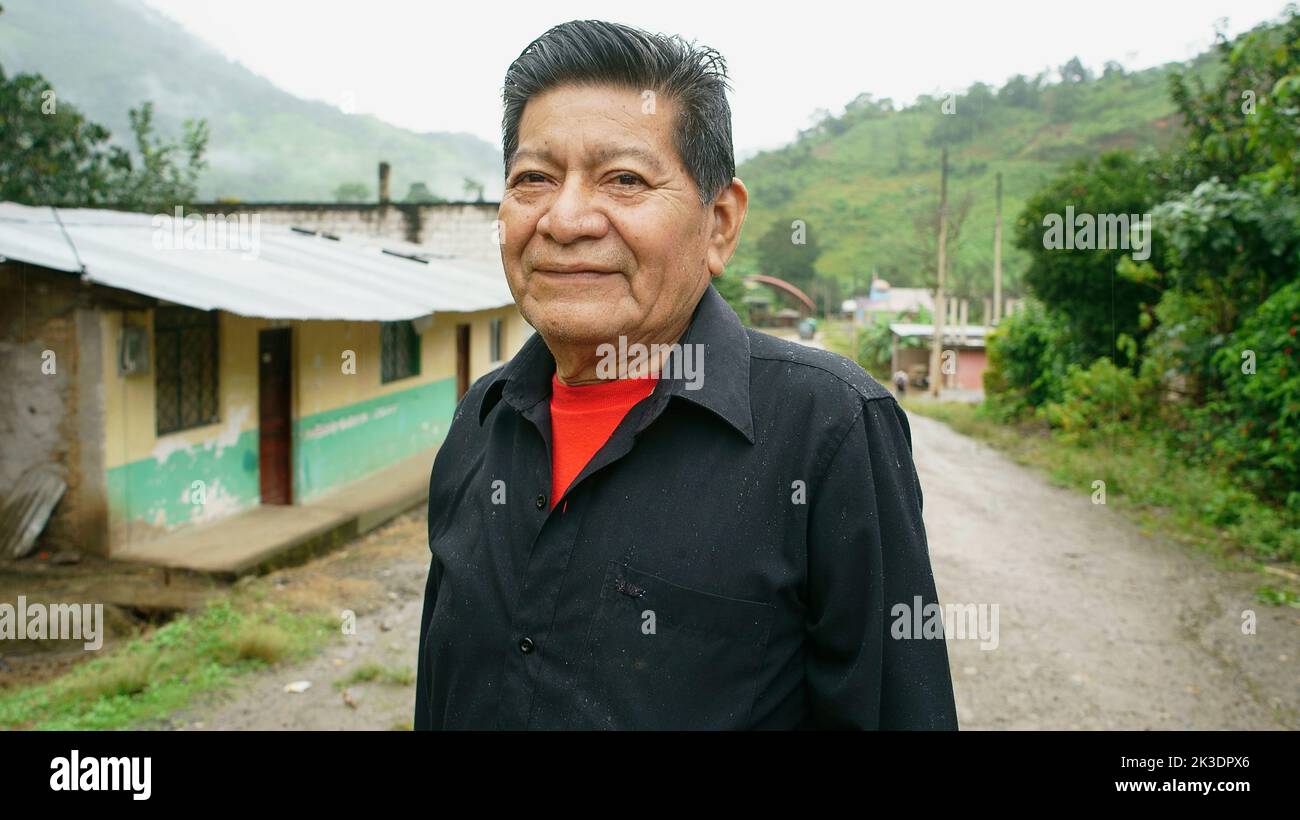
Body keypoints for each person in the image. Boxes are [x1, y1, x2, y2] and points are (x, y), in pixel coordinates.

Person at [414, 19, 958, 730]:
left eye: (625, 179)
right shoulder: (480, 422)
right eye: (534, 179)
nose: (566, 217)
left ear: (720, 224)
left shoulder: (829, 429)